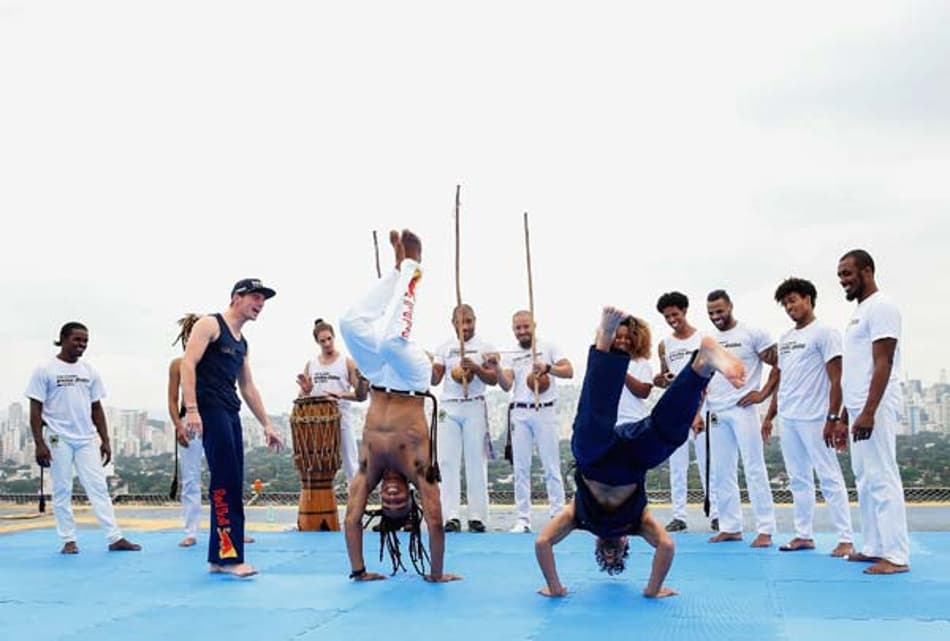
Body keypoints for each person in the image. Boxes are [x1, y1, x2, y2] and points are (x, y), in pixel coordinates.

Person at [534, 307, 745, 598]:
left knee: (591, 425)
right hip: (634, 459)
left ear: (596, 545)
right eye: (617, 556)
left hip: (594, 457)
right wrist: (652, 590)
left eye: (605, 556)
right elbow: (667, 546)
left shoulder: (577, 517)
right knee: (668, 433)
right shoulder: (638, 522)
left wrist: (555, 588)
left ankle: (604, 340)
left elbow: (542, 543)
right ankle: (702, 365)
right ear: (626, 544)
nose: (611, 552)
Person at [339, 229, 460, 583]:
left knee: (350, 323)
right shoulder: (419, 468)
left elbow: (350, 519)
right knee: (392, 341)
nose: (391, 497)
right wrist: (437, 573)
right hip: (411, 380)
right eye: (399, 502)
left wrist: (358, 571)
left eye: (386, 503)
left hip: (377, 376)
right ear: (409, 499)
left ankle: (396, 272)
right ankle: (412, 268)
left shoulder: (368, 468)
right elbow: (435, 522)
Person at [180, 279, 284, 578]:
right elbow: (188, 364)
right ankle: (227, 558)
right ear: (236, 298)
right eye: (255, 297)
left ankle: (220, 556)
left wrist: (266, 424)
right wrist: (192, 409)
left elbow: (247, 385)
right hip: (209, 409)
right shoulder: (210, 325)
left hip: (230, 411)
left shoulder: (241, 342)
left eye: (263, 299)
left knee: (232, 482)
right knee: (225, 481)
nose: (260, 303)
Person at [26, 322, 141, 554]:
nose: (82, 345)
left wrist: (105, 440)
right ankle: (68, 540)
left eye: (85, 341)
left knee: (98, 487)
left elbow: (96, 407)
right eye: (77, 340)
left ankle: (115, 537)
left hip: (86, 438)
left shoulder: (89, 371)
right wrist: (39, 443)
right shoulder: (44, 369)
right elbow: (35, 409)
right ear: (63, 339)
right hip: (58, 437)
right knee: (62, 488)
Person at [761, 278, 854, 556]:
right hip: (788, 419)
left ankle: (846, 538)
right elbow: (783, 381)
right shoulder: (786, 339)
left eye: (793, 300)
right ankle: (803, 535)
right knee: (798, 478)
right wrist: (770, 416)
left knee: (829, 477)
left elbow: (838, 379)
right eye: (786, 304)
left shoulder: (825, 333)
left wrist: (833, 417)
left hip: (816, 418)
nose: (790, 307)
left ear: (808, 299)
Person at [837, 249, 909, 574]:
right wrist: (844, 415)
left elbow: (884, 361)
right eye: (840, 276)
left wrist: (868, 411)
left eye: (848, 274)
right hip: (856, 407)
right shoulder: (859, 313)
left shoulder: (882, 307)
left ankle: (895, 555)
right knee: (864, 478)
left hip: (874, 406)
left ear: (867, 271)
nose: (843, 281)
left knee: (882, 476)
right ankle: (873, 546)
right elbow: (854, 368)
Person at [168, 313, 256, 548]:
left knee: (229, 475)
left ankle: (234, 530)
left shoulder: (218, 358)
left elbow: (245, 383)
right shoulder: (180, 364)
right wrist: (179, 425)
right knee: (191, 478)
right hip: (190, 421)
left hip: (216, 416)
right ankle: (190, 531)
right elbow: (171, 399)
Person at [705, 289, 778, 547]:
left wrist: (763, 394)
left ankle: (766, 529)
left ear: (730, 307)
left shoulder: (752, 333)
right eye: (711, 312)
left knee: (754, 467)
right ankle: (730, 526)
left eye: (720, 311)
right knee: (721, 471)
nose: (716, 316)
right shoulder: (709, 341)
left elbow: (779, 364)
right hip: (716, 411)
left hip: (743, 409)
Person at [496, 310, 573, 533]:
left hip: (545, 410)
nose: (522, 331)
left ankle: (557, 515)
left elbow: (568, 371)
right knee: (521, 467)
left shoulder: (548, 347)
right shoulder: (511, 353)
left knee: (551, 465)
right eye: (518, 328)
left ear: (534, 326)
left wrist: (548, 368)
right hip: (520, 412)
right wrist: (497, 368)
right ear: (513, 330)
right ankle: (523, 519)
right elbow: (506, 385)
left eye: (525, 327)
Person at [430, 304, 498, 533]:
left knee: (475, 461)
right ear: (453, 324)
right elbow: (435, 379)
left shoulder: (484, 347)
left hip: (474, 405)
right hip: (448, 407)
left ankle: (477, 516)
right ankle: (451, 515)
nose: (466, 327)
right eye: (461, 322)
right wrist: (424, 363)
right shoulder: (444, 348)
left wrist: (476, 368)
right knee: (448, 462)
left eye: (469, 321)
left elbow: (493, 380)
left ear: (475, 320)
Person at [653, 291, 717, 533]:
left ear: (685, 311)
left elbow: (709, 377)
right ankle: (679, 515)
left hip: (701, 407)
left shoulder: (704, 339)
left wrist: (697, 412)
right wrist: (661, 379)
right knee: (677, 464)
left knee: (706, 462)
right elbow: (663, 377)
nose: (671, 320)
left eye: (675, 314)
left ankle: (716, 513)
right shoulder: (664, 344)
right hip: (675, 408)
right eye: (667, 316)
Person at [296, 318, 367, 485]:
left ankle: (355, 506)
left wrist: (341, 395)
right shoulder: (311, 364)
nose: (327, 343)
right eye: (323, 341)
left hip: (341, 418)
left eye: (329, 339)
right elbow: (301, 398)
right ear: (317, 342)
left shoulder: (347, 362)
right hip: (317, 420)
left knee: (351, 464)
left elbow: (361, 396)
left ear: (334, 337)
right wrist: (305, 391)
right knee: (317, 464)